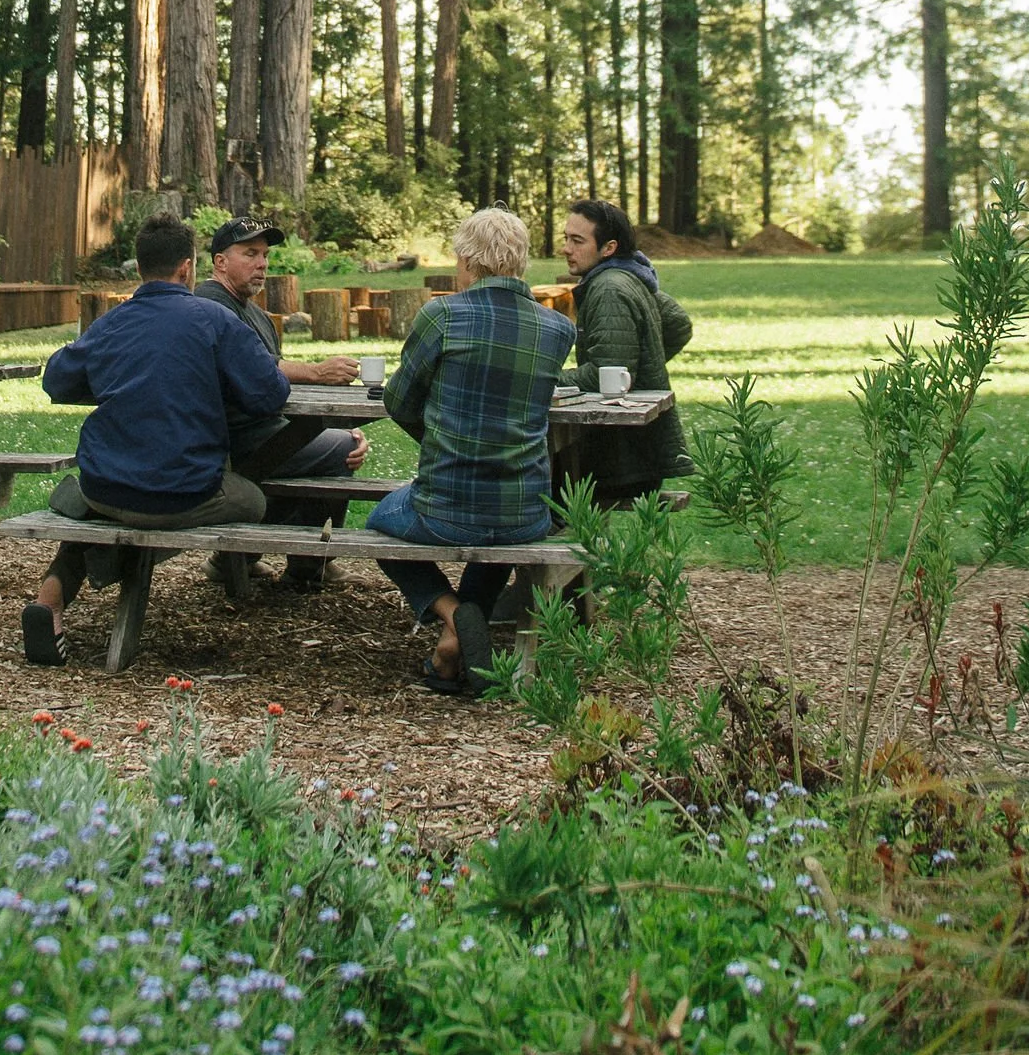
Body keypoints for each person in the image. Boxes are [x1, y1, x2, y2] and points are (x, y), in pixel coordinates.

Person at [21, 214, 285, 665]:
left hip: (106, 486)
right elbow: (270, 394)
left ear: (139, 268)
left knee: (97, 504)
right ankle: (140, 569)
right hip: (182, 492)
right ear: (188, 268)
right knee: (252, 499)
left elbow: (58, 380)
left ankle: (51, 602)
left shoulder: (110, 322)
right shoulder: (214, 319)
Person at [365, 204, 573, 696]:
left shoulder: (442, 315)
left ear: (468, 262)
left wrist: (438, 436)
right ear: (520, 261)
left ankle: (454, 617)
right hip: (525, 510)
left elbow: (398, 400)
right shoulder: (558, 330)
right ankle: (450, 648)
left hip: (446, 505)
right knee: (501, 530)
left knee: (377, 524)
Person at [201, 218, 367, 590]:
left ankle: (237, 557)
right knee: (342, 450)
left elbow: (273, 381)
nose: (261, 263)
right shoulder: (209, 304)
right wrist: (316, 371)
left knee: (341, 440)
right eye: (250, 254)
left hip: (267, 430)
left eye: (264, 255)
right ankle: (308, 565)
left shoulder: (257, 314)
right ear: (220, 262)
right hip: (234, 440)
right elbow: (253, 370)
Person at [560, 197, 694, 492]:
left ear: (609, 248)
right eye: (566, 238)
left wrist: (546, 378)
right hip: (640, 451)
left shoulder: (609, 288)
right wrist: (645, 359)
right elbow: (678, 323)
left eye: (578, 241)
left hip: (623, 460)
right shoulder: (629, 275)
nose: (566, 249)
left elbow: (603, 374)